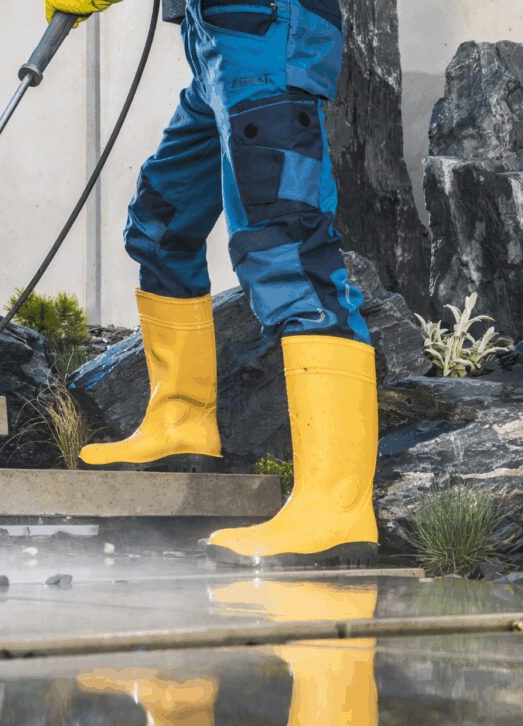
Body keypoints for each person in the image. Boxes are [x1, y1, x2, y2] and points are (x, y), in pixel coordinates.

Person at [46, 0, 379, 568]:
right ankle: (180, 421)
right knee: (160, 225)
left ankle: (335, 508)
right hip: (216, 45)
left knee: (287, 250)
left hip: (267, 36)